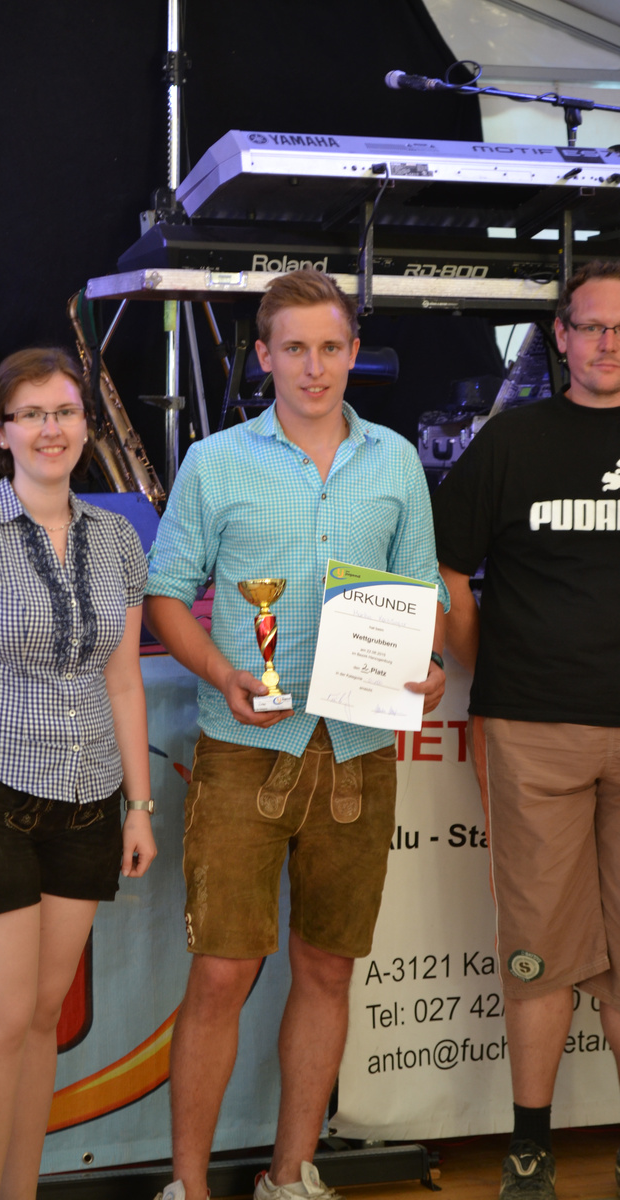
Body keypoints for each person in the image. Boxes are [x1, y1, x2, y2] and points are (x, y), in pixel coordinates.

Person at [143, 269, 447, 1200]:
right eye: (294, 349)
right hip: (246, 750)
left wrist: (428, 664)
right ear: (265, 357)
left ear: (354, 354)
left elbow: (421, 593)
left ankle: (291, 1175)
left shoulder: (396, 461)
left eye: (330, 347)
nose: (313, 367)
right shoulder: (215, 462)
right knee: (223, 972)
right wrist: (222, 672)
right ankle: (188, 1188)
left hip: (359, 750)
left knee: (327, 969)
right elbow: (165, 595)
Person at [0, 347, 156, 1200]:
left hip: (88, 798)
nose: (52, 429)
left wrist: (139, 806)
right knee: (1, 1022)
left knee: (44, 1017)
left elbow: (124, 681)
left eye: (66, 412)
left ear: (86, 426)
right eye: (33, 414)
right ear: (0, 431)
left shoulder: (117, 538)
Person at [432, 259, 620, 1200]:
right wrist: (484, 662)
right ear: (560, 336)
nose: (608, 343)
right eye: (592, 326)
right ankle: (531, 1151)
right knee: (537, 949)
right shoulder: (512, 441)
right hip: (532, 726)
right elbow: (446, 569)